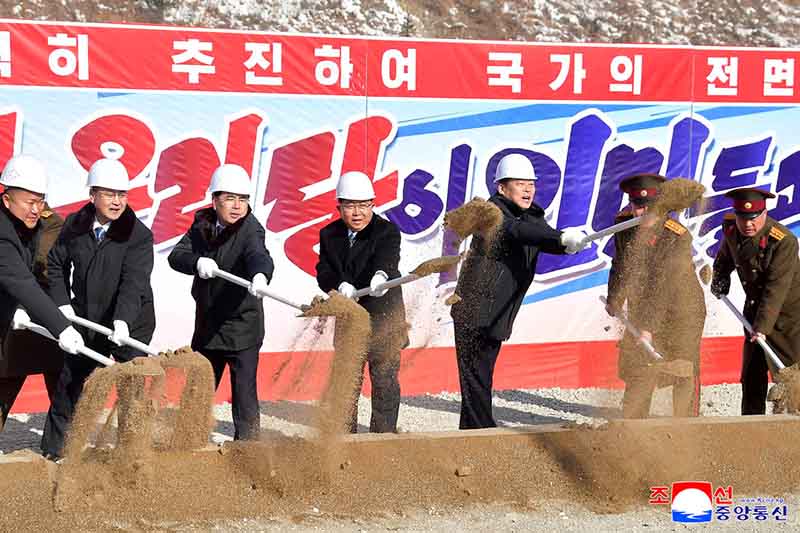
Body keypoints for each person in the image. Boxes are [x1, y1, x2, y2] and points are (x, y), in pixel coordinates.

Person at [450, 153, 587, 429]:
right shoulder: (490, 213)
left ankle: (471, 434)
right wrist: (559, 237)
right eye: (520, 184)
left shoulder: (532, 216)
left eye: (531, 184)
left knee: (479, 377)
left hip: (498, 311)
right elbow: (516, 231)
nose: (528, 190)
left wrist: (565, 243)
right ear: (502, 188)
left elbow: (542, 236)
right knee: (476, 377)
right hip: (474, 309)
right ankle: (483, 433)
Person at [41, 157, 155, 459]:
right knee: (71, 382)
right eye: (109, 194)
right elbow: (56, 264)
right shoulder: (74, 225)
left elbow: (134, 283)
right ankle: (56, 450)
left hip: (131, 322)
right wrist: (62, 304)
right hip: (87, 318)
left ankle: (131, 453)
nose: (117, 201)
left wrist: (122, 321)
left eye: (122, 194)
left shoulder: (138, 235)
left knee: (131, 388)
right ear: (92, 195)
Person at [168, 163, 274, 440]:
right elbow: (176, 256)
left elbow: (258, 255)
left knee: (244, 393)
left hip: (242, 325)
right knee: (198, 388)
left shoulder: (251, 229)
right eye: (230, 199)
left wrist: (260, 275)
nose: (237, 206)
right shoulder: (202, 224)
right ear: (214, 201)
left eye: (243, 199)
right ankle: (187, 442)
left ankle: (248, 449)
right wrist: (196, 261)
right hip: (208, 324)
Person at [605, 174, 705, 418]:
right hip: (643, 306)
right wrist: (615, 297)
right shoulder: (624, 227)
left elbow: (663, 285)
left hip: (682, 311)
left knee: (682, 369)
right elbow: (620, 264)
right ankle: (634, 425)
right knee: (639, 366)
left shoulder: (676, 235)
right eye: (637, 206)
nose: (642, 213)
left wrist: (648, 327)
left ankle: (686, 426)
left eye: (649, 207)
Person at [316, 171, 407, 433]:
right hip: (350, 319)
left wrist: (381, 276)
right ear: (339, 207)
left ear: (373, 205)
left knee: (384, 380)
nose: (357, 213)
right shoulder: (329, 234)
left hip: (384, 316)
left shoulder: (387, 231)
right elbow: (324, 270)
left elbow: (388, 259)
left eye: (364, 205)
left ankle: (382, 438)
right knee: (347, 382)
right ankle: (346, 439)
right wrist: (338, 285)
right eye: (350, 206)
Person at [0, 155, 85, 431]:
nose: (37, 210)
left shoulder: (30, 223)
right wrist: (62, 328)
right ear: (7, 200)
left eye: (41, 201)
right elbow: (21, 280)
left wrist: (16, 306)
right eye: (30, 202)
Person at [711, 187, 800, 415]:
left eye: (753, 218)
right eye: (742, 218)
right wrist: (720, 278)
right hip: (754, 314)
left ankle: (792, 422)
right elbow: (725, 257)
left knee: (790, 375)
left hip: (788, 319)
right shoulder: (732, 231)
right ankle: (751, 423)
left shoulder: (783, 241)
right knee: (752, 375)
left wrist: (762, 328)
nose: (748, 224)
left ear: (764, 214)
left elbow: (775, 290)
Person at [1, 202, 66, 429]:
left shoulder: (49, 223)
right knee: (5, 388)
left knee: (62, 401)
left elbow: (43, 267)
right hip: (11, 324)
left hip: (45, 322)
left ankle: (63, 446)